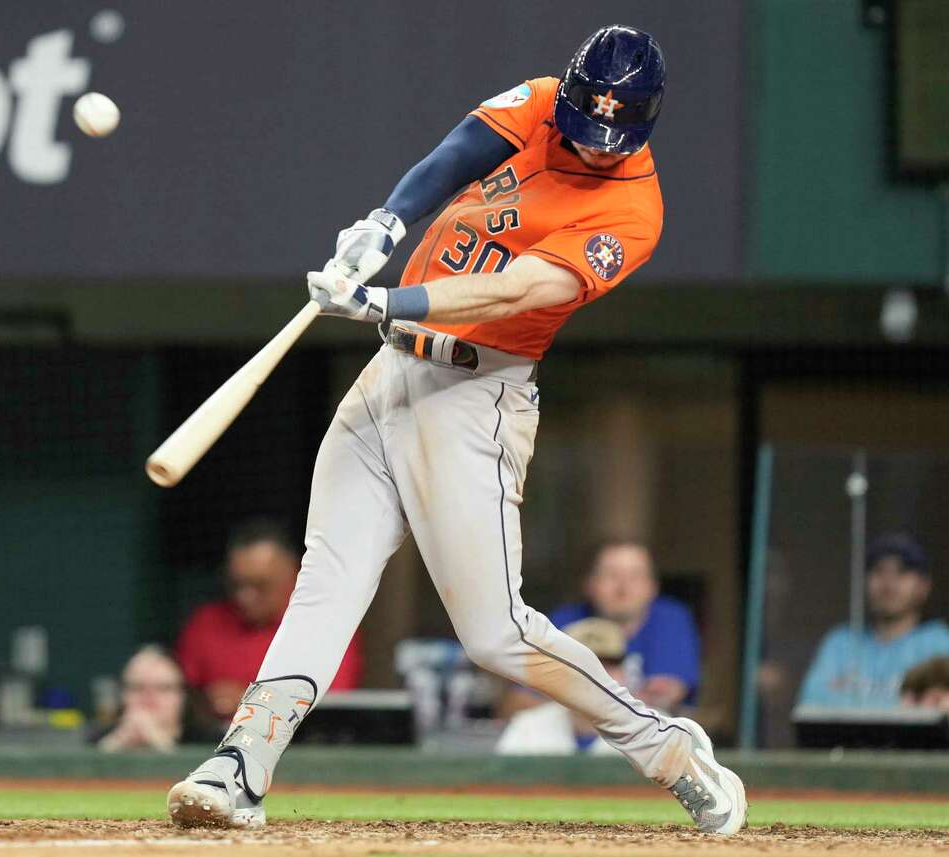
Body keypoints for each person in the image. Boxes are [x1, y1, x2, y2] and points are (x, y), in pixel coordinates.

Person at [167, 26, 746, 836]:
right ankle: (242, 763)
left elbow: (518, 290)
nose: (593, 141)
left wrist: (385, 300)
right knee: (327, 581)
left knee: (496, 634)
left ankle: (666, 745)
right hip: (388, 377)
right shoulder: (545, 100)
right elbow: (451, 159)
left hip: (476, 394)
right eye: (586, 120)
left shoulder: (633, 209)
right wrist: (383, 227)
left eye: (613, 130)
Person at [175, 520, 363, 720]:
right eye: (237, 584)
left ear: (293, 575)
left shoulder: (325, 629)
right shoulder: (205, 624)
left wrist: (250, 701)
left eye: (260, 585)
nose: (245, 596)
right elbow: (177, 697)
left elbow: (333, 706)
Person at [797, 533, 949, 710]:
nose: (888, 583)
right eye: (878, 570)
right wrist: (902, 705)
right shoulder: (840, 642)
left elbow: (940, 713)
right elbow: (810, 706)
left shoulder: (943, 644)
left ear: (923, 586)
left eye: (902, 571)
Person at [548, 538, 701, 711]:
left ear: (652, 586)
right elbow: (522, 700)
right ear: (589, 584)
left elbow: (670, 693)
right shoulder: (562, 624)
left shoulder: (670, 619)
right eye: (611, 575)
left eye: (635, 576)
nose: (623, 588)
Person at [496, 618, 627, 755]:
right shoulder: (528, 727)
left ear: (623, 672)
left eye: (609, 665)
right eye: (582, 666)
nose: (596, 677)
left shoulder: (648, 730)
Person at [91, 645, 219, 752]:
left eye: (163, 688)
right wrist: (115, 743)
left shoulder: (212, 742)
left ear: (183, 695)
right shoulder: (98, 738)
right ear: (122, 695)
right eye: (137, 687)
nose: (149, 697)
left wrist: (160, 742)